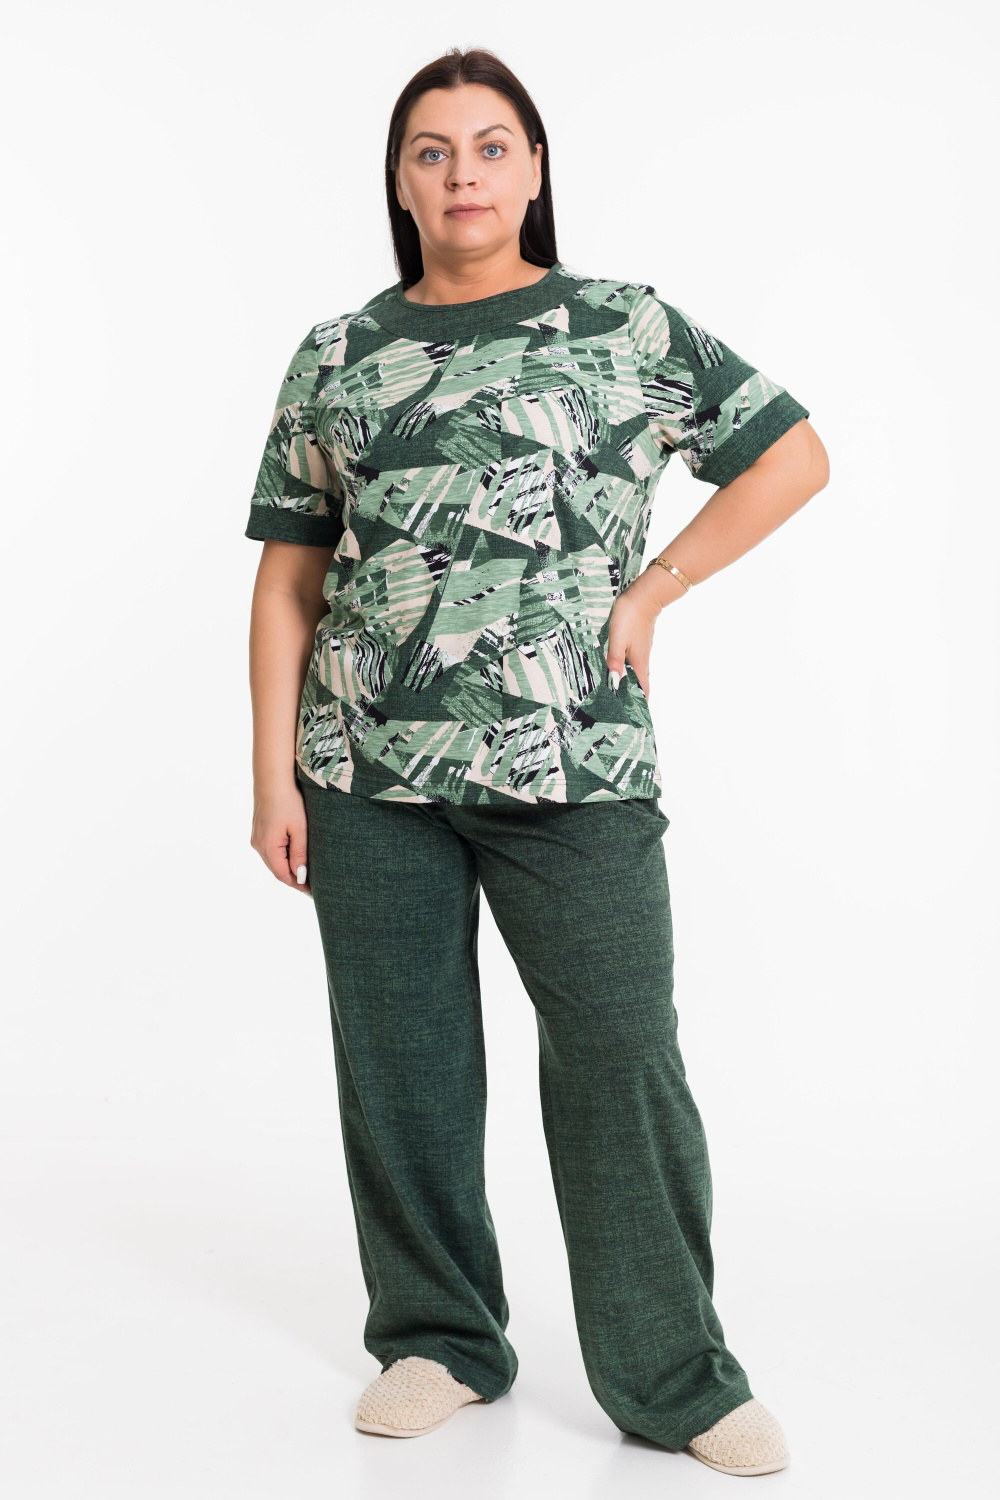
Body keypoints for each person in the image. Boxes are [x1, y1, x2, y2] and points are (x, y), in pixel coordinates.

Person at [245, 46, 829, 1479]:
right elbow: (289, 578)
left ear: (536, 167)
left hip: (577, 758)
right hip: (365, 769)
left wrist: (655, 589)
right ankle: (439, 1338)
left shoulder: (624, 325)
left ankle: (674, 1375)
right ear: (400, 181)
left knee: (621, 1053)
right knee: (403, 1066)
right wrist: (272, 778)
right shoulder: (337, 353)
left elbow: (793, 454)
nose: (464, 174)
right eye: (433, 151)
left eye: (491, 145)